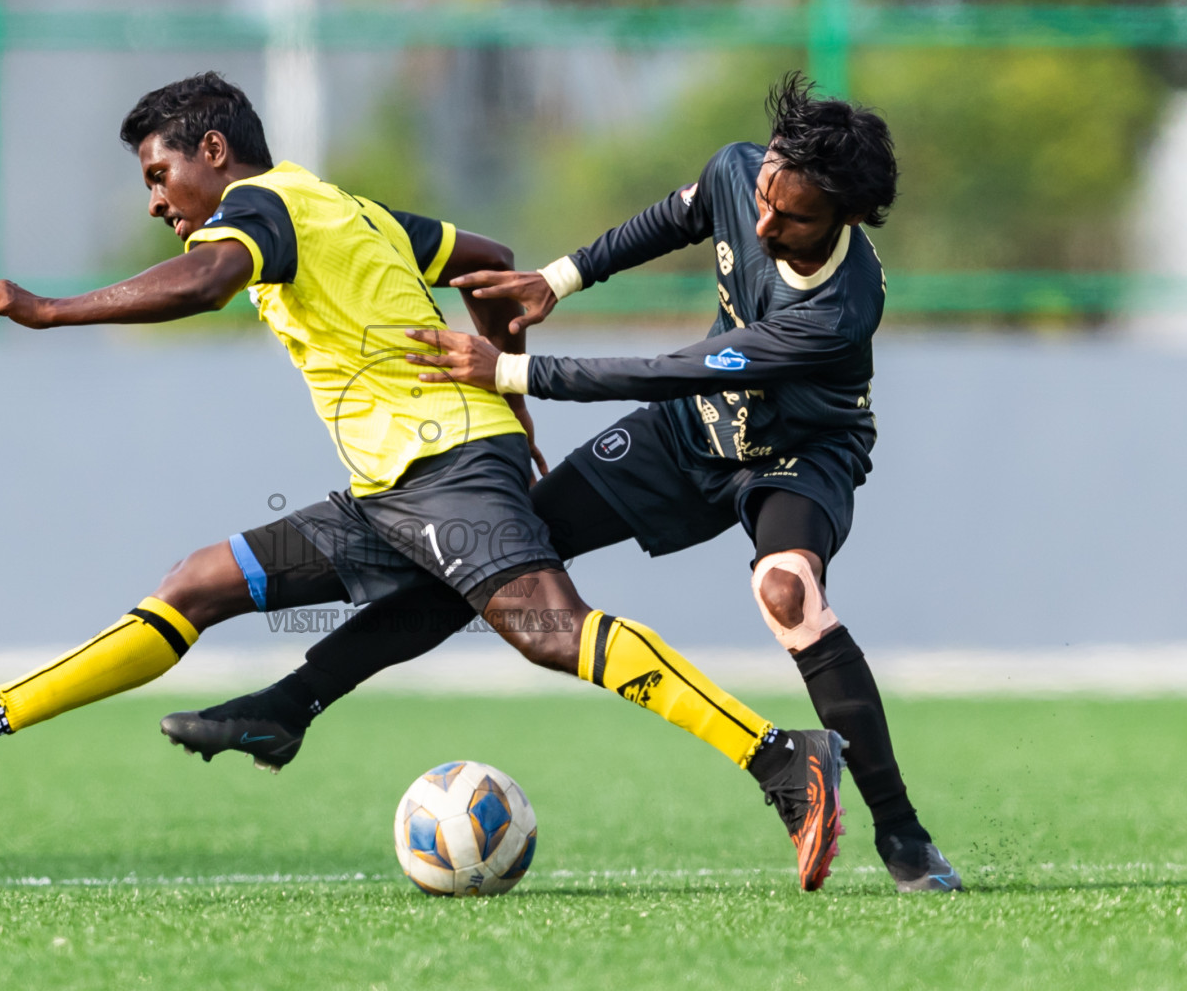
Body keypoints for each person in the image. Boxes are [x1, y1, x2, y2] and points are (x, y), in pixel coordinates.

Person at [0, 71, 847, 892]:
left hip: (443, 469)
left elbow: (205, 283)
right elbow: (489, 265)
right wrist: (510, 405)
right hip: (397, 487)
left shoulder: (260, 211)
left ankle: (781, 757)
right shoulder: (344, 208)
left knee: (552, 629)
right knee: (197, 583)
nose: (155, 201)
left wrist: (49, 311)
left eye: (158, 173)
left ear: (212, 152)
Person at [161, 73, 961, 893]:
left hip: (799, 450)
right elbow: (676, 218)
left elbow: (671, 371)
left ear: (848, 216)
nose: (763, 223)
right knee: (489, 567)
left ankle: (901, 835)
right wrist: (561, 277)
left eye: (789, 218)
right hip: (691, 436)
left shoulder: (838, 313)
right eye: (762, 199)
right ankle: (292, 704)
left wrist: (513, 370)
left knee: (788, 592)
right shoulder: (739, 171)